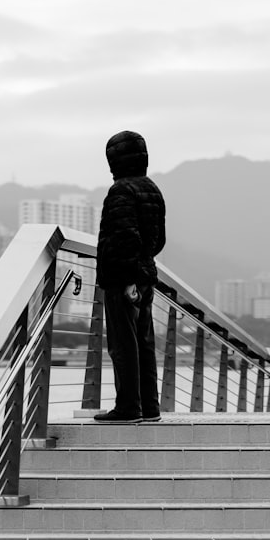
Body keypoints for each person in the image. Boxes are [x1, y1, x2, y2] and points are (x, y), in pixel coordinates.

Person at [93, 131, 166, 424]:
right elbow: (157, 240)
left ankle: (128, 407)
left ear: (114, 160)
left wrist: (129, 278)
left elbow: (124, 237)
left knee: (123, 344)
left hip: (124, 278)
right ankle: (149, 407)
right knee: (144, 343)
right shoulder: (151, 188)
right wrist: (142, 267)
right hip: (146, 274)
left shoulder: (121, 191)